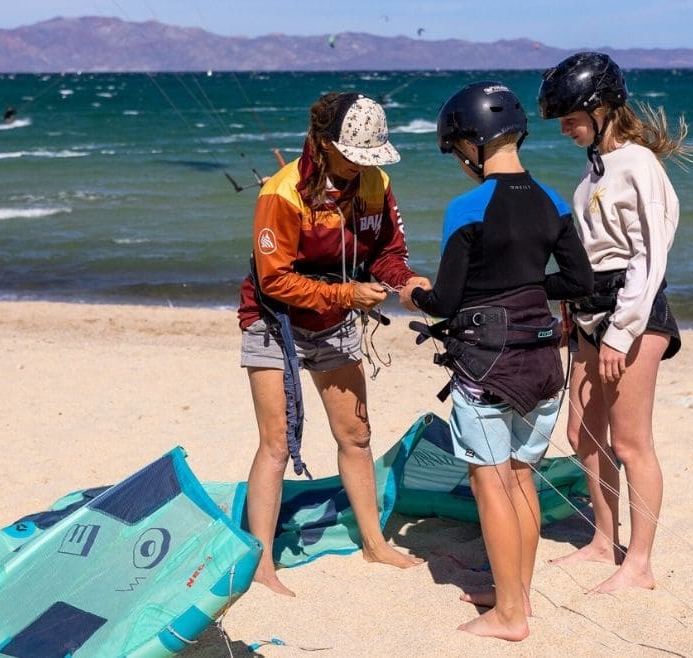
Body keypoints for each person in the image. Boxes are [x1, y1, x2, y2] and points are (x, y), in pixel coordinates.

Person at [399, 81, 592, 641]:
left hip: (486, 366)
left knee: (491, 485)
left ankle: (509, 616)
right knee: (522, 479)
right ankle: (516, 596)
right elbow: (580, 281)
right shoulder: (554, 201)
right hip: (542, 366)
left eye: (457, 149)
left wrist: (413, 293)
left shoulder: (467, 207)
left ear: (469, 144)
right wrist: (528, 283)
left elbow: (448, 301)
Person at [238, 92, 429, 596]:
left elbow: (389, 253)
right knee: (276, 443)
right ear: (323, 144)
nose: (362, 167)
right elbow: (274, 279)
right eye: (354, 155)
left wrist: (407, 285)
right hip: (272, 319)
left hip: (336, 318)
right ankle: (261, 561)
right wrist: (347, 292)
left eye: (370, 158)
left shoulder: (377, 182)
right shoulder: (282, 194)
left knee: (357, 436)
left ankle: (373, 542)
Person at [537, 52, 693, 593]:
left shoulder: (639, 164)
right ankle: (604, 541)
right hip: (588, 313)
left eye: (569, 116)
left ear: (602, 108)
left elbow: (652, 256)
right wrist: (570, 312)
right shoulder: (595, 167)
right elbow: (591, 253)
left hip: (635, 313)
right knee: (582, 433)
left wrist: (623, 330)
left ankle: (641, 564)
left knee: (631, 444)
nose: (563, 127)